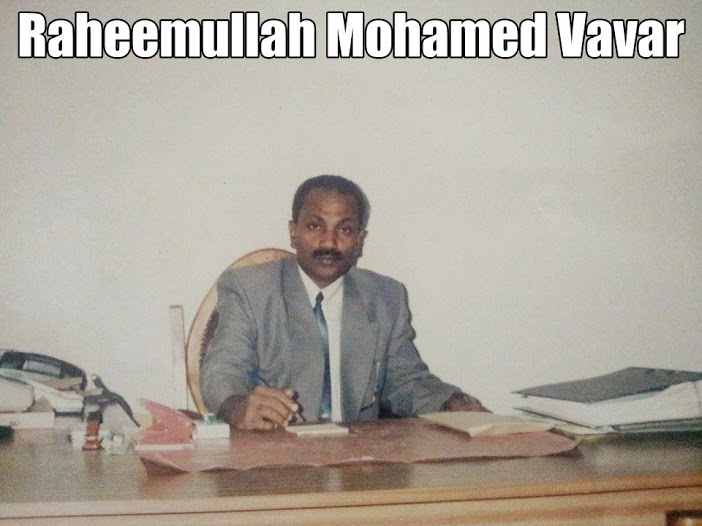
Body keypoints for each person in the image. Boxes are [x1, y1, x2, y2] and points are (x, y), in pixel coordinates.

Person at [201, 175, 486, 430]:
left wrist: (451, 402)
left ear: (360, 239)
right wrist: (237, 406)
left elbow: (405, 381)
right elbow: (222, 370)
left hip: (359, 457)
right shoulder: (250, 288)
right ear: (293, 232)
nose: (329, 242)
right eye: (315, 226)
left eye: (345, 230)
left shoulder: (386, 297)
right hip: (276, 452)